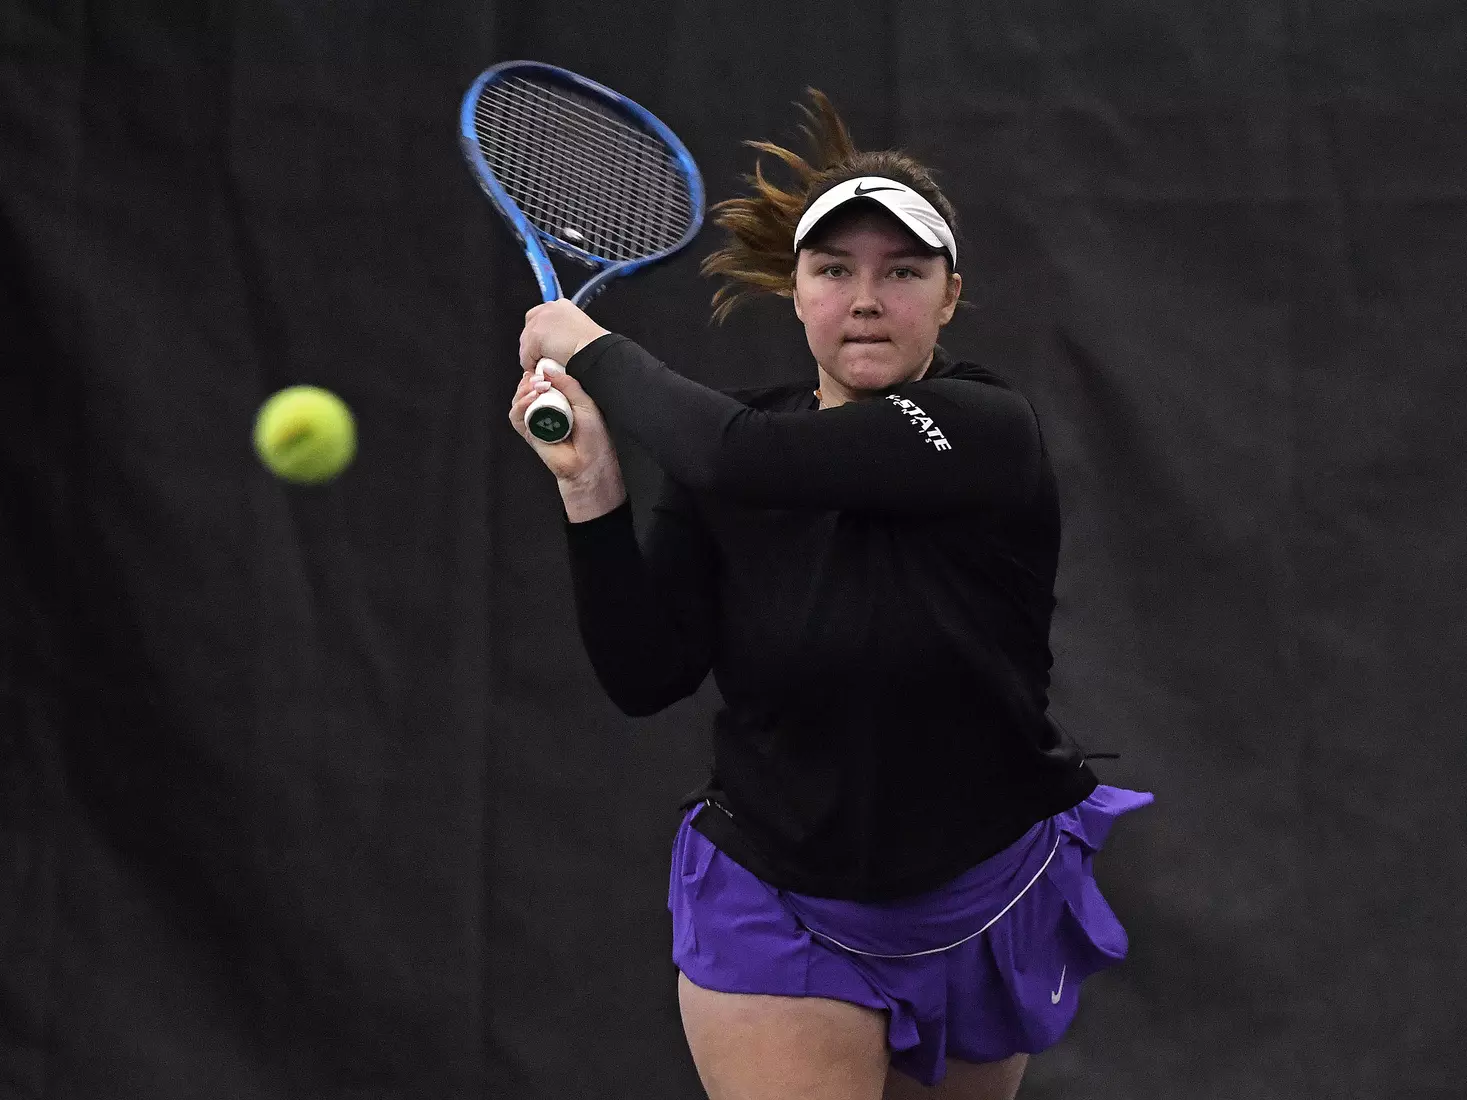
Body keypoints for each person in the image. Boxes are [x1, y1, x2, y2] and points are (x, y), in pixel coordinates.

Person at [508, 89, 1151, 1100]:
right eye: (834, 270)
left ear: (949, 296)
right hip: (779, 894)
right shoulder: (727, 462)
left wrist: (582, 343)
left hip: (981, 890)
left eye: (903, 272)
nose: (866, 297)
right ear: (795, 291)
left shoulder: (985, 428)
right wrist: (591, 490)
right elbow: (644, 671)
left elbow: (738, 455)